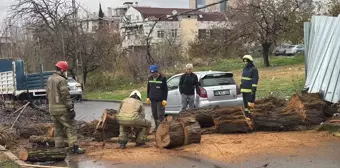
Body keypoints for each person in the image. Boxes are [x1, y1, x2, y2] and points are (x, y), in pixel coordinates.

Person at [46, 61, 85, 154]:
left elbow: (47, 94)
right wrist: (70, 108)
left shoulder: (49, 79)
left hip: (52, 109)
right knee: (71, 126)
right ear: (63, 70)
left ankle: (59, 149)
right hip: (62, 109)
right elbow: (65, 95)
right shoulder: (61, 80)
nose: (66, 72)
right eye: (65, 70)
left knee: (58, 129)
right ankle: (74, 147)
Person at [146, 65, 168, 131]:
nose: (153, 74)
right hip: (152, 99)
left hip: (160, 100)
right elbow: (148, 88)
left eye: (154, 73)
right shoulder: (150, 78)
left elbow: (165, 90)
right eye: (151, 73)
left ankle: (162, 128)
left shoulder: (162, 78)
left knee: (160, 114)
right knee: (154, 114)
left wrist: (164, 99)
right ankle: (156, 127)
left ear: (157, 72)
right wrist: (148, 97)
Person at [240, 55, 259, 120]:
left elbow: (255, 79)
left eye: (246, 61)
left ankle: (252, 117)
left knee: (250, 104)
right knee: (245, 105)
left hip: (250, 90)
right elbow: (243, 78)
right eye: (244, 61)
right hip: (244, 89)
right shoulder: (245, 68)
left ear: (250, 61)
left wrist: (253, 90)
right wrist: (241, 85)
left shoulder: (254, 69)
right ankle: (246, 116)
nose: (245, 63)